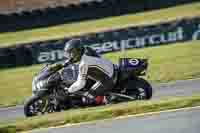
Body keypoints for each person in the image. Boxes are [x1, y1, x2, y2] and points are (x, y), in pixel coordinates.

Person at [63, 39, 115, 105]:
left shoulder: (84, 63)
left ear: (77, 51)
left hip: (107, 79)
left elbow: (80, 83)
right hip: (109, 67)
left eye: (71, 53)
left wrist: (69, 90)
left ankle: (106, 100)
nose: (70, 55)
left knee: (86, 98)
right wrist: (66, 63)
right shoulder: (87, 49)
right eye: (68, 53)